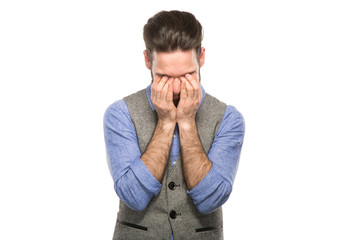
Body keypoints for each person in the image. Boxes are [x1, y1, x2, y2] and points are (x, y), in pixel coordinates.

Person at [103, 10, 245, 240]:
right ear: (148, 61)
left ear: (202, 58)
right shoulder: (120, 114)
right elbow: (133, 196)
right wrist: (166, 122)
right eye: (165, 77)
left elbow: (211, 199)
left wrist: (187, 122)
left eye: (188, 75)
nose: (177, 89)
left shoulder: (229, 118)